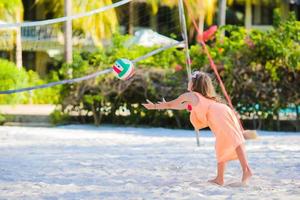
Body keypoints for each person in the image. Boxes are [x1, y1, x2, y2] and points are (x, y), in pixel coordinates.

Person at [142, 71, 252, 186]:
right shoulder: (199, 98)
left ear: (194, 84)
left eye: (190, 80)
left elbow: (171, 105)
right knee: (223, 143)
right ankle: (220, 178)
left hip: (218, 114)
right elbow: (180, 106)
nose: (188, 82)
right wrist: (159, 105)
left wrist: (154, 106)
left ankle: (246, 170)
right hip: (220, 112)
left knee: (233, 139)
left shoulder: (191, 95)